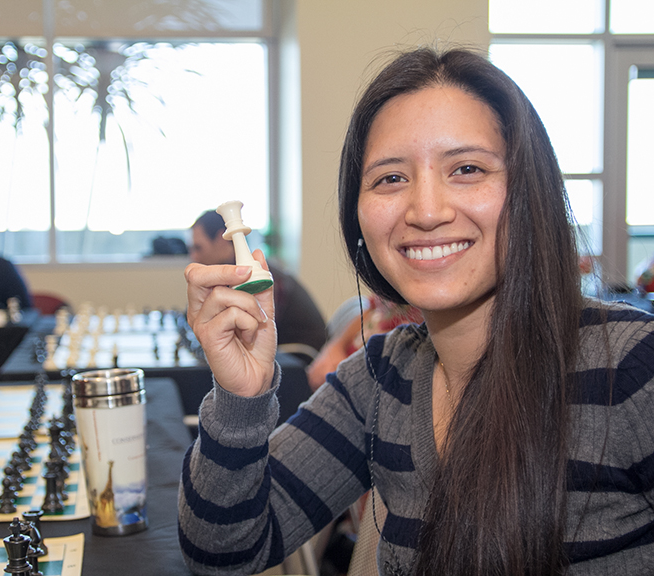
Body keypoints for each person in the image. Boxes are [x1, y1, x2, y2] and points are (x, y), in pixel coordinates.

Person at [179, 46, 654, 576]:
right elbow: (224, 552)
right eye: (390, 178)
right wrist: (240, 399)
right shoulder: (380, 379)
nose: (427, 212)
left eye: (467, 169)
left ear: (529, 192)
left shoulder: (633, 372)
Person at [190, 209, 327, 352]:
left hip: (301, 356)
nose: (194, 257)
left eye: (198, 248)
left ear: (221, 240)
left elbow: (253, 332)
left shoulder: (265, 280)